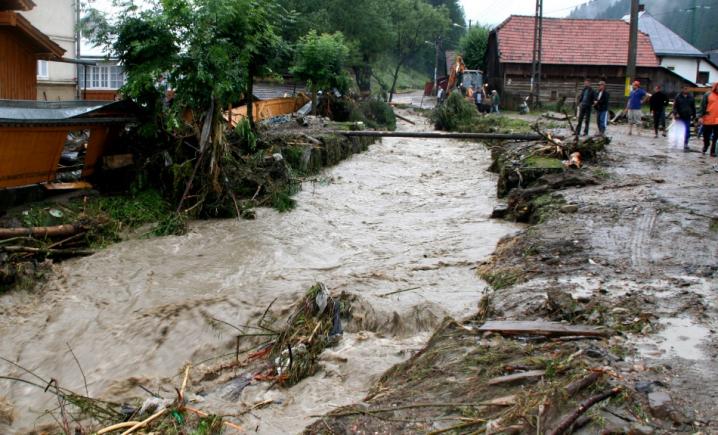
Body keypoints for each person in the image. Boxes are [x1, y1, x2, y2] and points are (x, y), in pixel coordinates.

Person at [673, 85, 696, 151]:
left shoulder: (691, 97)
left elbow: (693, 107)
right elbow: (675, 107)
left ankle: (685, 143)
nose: (686, 90)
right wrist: (676, 113)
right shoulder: (678, 97)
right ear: (682, 89)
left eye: (687, 88)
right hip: (679, 116)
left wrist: (694, 116)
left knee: (687, 131)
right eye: (684, 88)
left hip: (687, 117)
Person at [698, 82, 718, 157]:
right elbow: (702, 106)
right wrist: (700, 116)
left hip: (717, 120)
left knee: (716, 136)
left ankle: (712, 151)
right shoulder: (708, 95)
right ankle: (706, 145)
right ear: (715, 87)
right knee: (706, 135)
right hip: (708, 118)